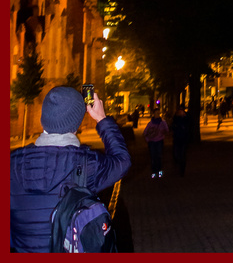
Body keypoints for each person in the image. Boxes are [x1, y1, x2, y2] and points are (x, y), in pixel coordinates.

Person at [10, 85, 131, 253]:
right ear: (76, 122)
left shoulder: (12, 163)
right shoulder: (87, 162)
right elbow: (122, 161)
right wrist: (102, 119)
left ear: (43, 119)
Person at [143, 110, 169, 178]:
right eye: (156, 113)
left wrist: (163, 132)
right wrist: (148, 140)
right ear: (153, 114)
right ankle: (154, 171)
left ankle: (159, 170)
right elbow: (145, 132)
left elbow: (167, 130)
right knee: (153, 157)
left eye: (158, 113)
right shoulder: (150, 123)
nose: (158, 114)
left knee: (158, 156)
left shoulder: (162, 122)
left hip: (159, 141)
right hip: (152, 142)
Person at [171, 105, 190, 176]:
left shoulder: (186, 118)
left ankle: (182, 170)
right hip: (177, 138)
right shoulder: (176, 118)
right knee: (177, 154)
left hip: (183, 139)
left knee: (182, 154)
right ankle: (179, 167)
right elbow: (173, 127)